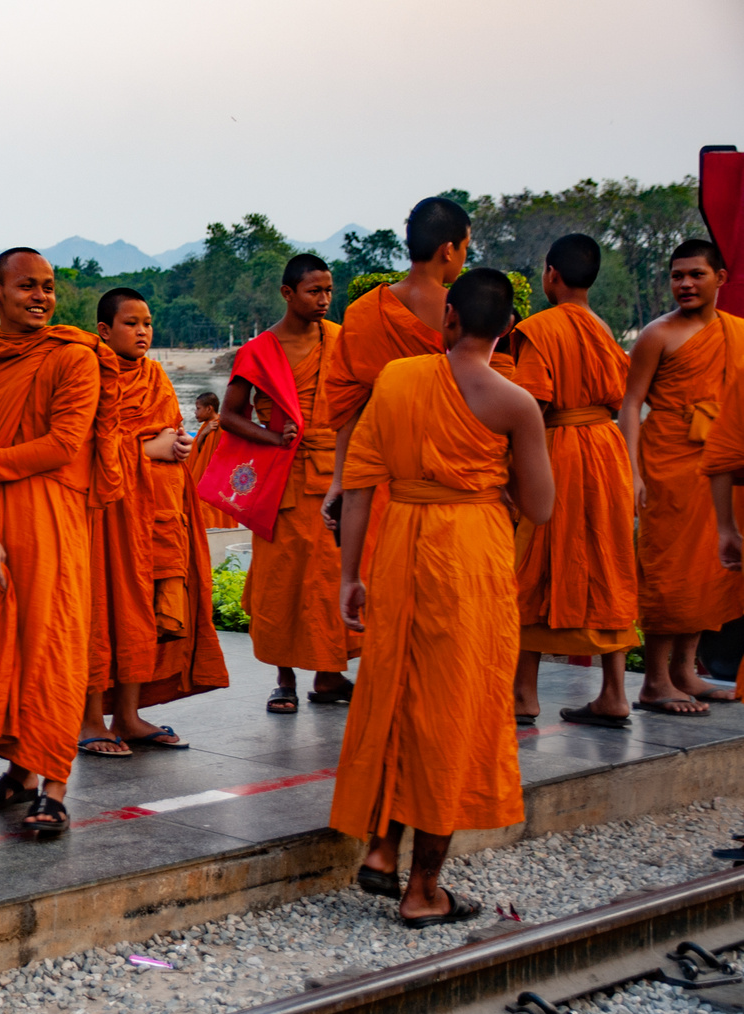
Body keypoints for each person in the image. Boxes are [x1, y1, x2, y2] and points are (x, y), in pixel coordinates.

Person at [330, 269, 552, 927]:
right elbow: (540, 508)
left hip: (400, 549)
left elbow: (359, 484)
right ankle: (422, 889)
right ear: (507, 329)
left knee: (398, 692)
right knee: (453, 712)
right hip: (469, 558)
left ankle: (379, 848)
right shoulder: (515, 402)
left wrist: (348, 576)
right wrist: (499, 484)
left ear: (447, 320)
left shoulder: (398, 378)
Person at [0, 253, 118, 828]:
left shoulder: (74, 357)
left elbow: (66, 443)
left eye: (48, 288)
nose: (41, 297)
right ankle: (21, 774)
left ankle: (56, 782)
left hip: (53, 522)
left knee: (54, 647)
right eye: (27, 287)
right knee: (12, 653)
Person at [78, 286, 228, 754]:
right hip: (102, 515)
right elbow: (80, 448)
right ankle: (88, 721)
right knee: (100, 615)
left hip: (153, 515)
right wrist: (148, 450)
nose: (142, 331)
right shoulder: (87, 376)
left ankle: (128, 715)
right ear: (104, 331)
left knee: (141, 616)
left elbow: (168, 433)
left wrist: (178, 447)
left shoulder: (157, 375)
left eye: (147, 323)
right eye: (130, 323)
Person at [218, 255, 357, 713]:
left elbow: (357, 406)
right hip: (283, 481)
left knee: (330, 578)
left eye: (328, 291)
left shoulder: (341, 340)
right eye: (314, 291)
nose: (324, 300)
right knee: (283, 581)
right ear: (287, 294)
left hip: (335, 472)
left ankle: (330, 675)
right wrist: (273, 437)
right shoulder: (259, 350)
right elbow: (229, 415)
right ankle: (284, 678)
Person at [510, 235, 638, 726]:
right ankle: (613, 694)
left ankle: (525, 694)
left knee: (535, 561)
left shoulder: (539, 329)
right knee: (609, 560)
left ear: (551, 275)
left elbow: (532, 406)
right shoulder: (603, 328)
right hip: (606, 453)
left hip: (559, 450)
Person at [621, 238, 744, 713]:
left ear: (721, 278)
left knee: (707, 572)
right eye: (677, 275)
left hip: (719, 468)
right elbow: (632, 403)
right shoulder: (658, 334)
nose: (686, 284)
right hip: (668, 462)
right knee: (668, 572)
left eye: (697, 274)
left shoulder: (736, 332)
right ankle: (654, 679)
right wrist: (631, 471)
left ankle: (684, 671)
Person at [321, 198, 471, 567]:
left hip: (379, 471)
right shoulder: (463, 314)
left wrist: (340, 479)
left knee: (381, 581)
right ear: (448, 249)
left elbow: (347, 407)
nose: (464, 257)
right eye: (466, 247)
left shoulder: (363, 312)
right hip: (450, 472)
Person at [185, 391, 236, 528]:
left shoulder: (220, 427)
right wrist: (202, 435)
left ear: (209, 408)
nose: (195, 413)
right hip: (206, 479)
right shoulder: (207, 426)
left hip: (214, 481)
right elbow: (199, 451)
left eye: (198, 408)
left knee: (211, 514)